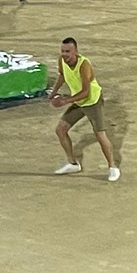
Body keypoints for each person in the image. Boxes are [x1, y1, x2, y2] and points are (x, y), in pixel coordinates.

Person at [49, 37, 120, 182]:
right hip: (79, 101)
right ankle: (73, 163)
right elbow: (62, 75)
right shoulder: (61, 61)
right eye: (63, 51)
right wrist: (53, 92)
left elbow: (86, 92)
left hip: (92, 101)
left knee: (100, 135)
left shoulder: (84, 65)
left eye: (68, 51)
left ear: (76, 51)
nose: (65, 54)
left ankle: (113, 167)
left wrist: (65, 101)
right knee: (60, 130)